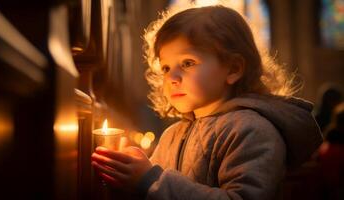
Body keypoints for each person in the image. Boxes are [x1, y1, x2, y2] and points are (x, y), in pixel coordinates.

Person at [91, 5, 322, 200]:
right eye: (166, 67)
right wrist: (126, 180)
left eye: (188, 62)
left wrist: (150, 179)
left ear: (233, 69)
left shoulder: (253, 131)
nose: (172, 77)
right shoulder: (172, 134)